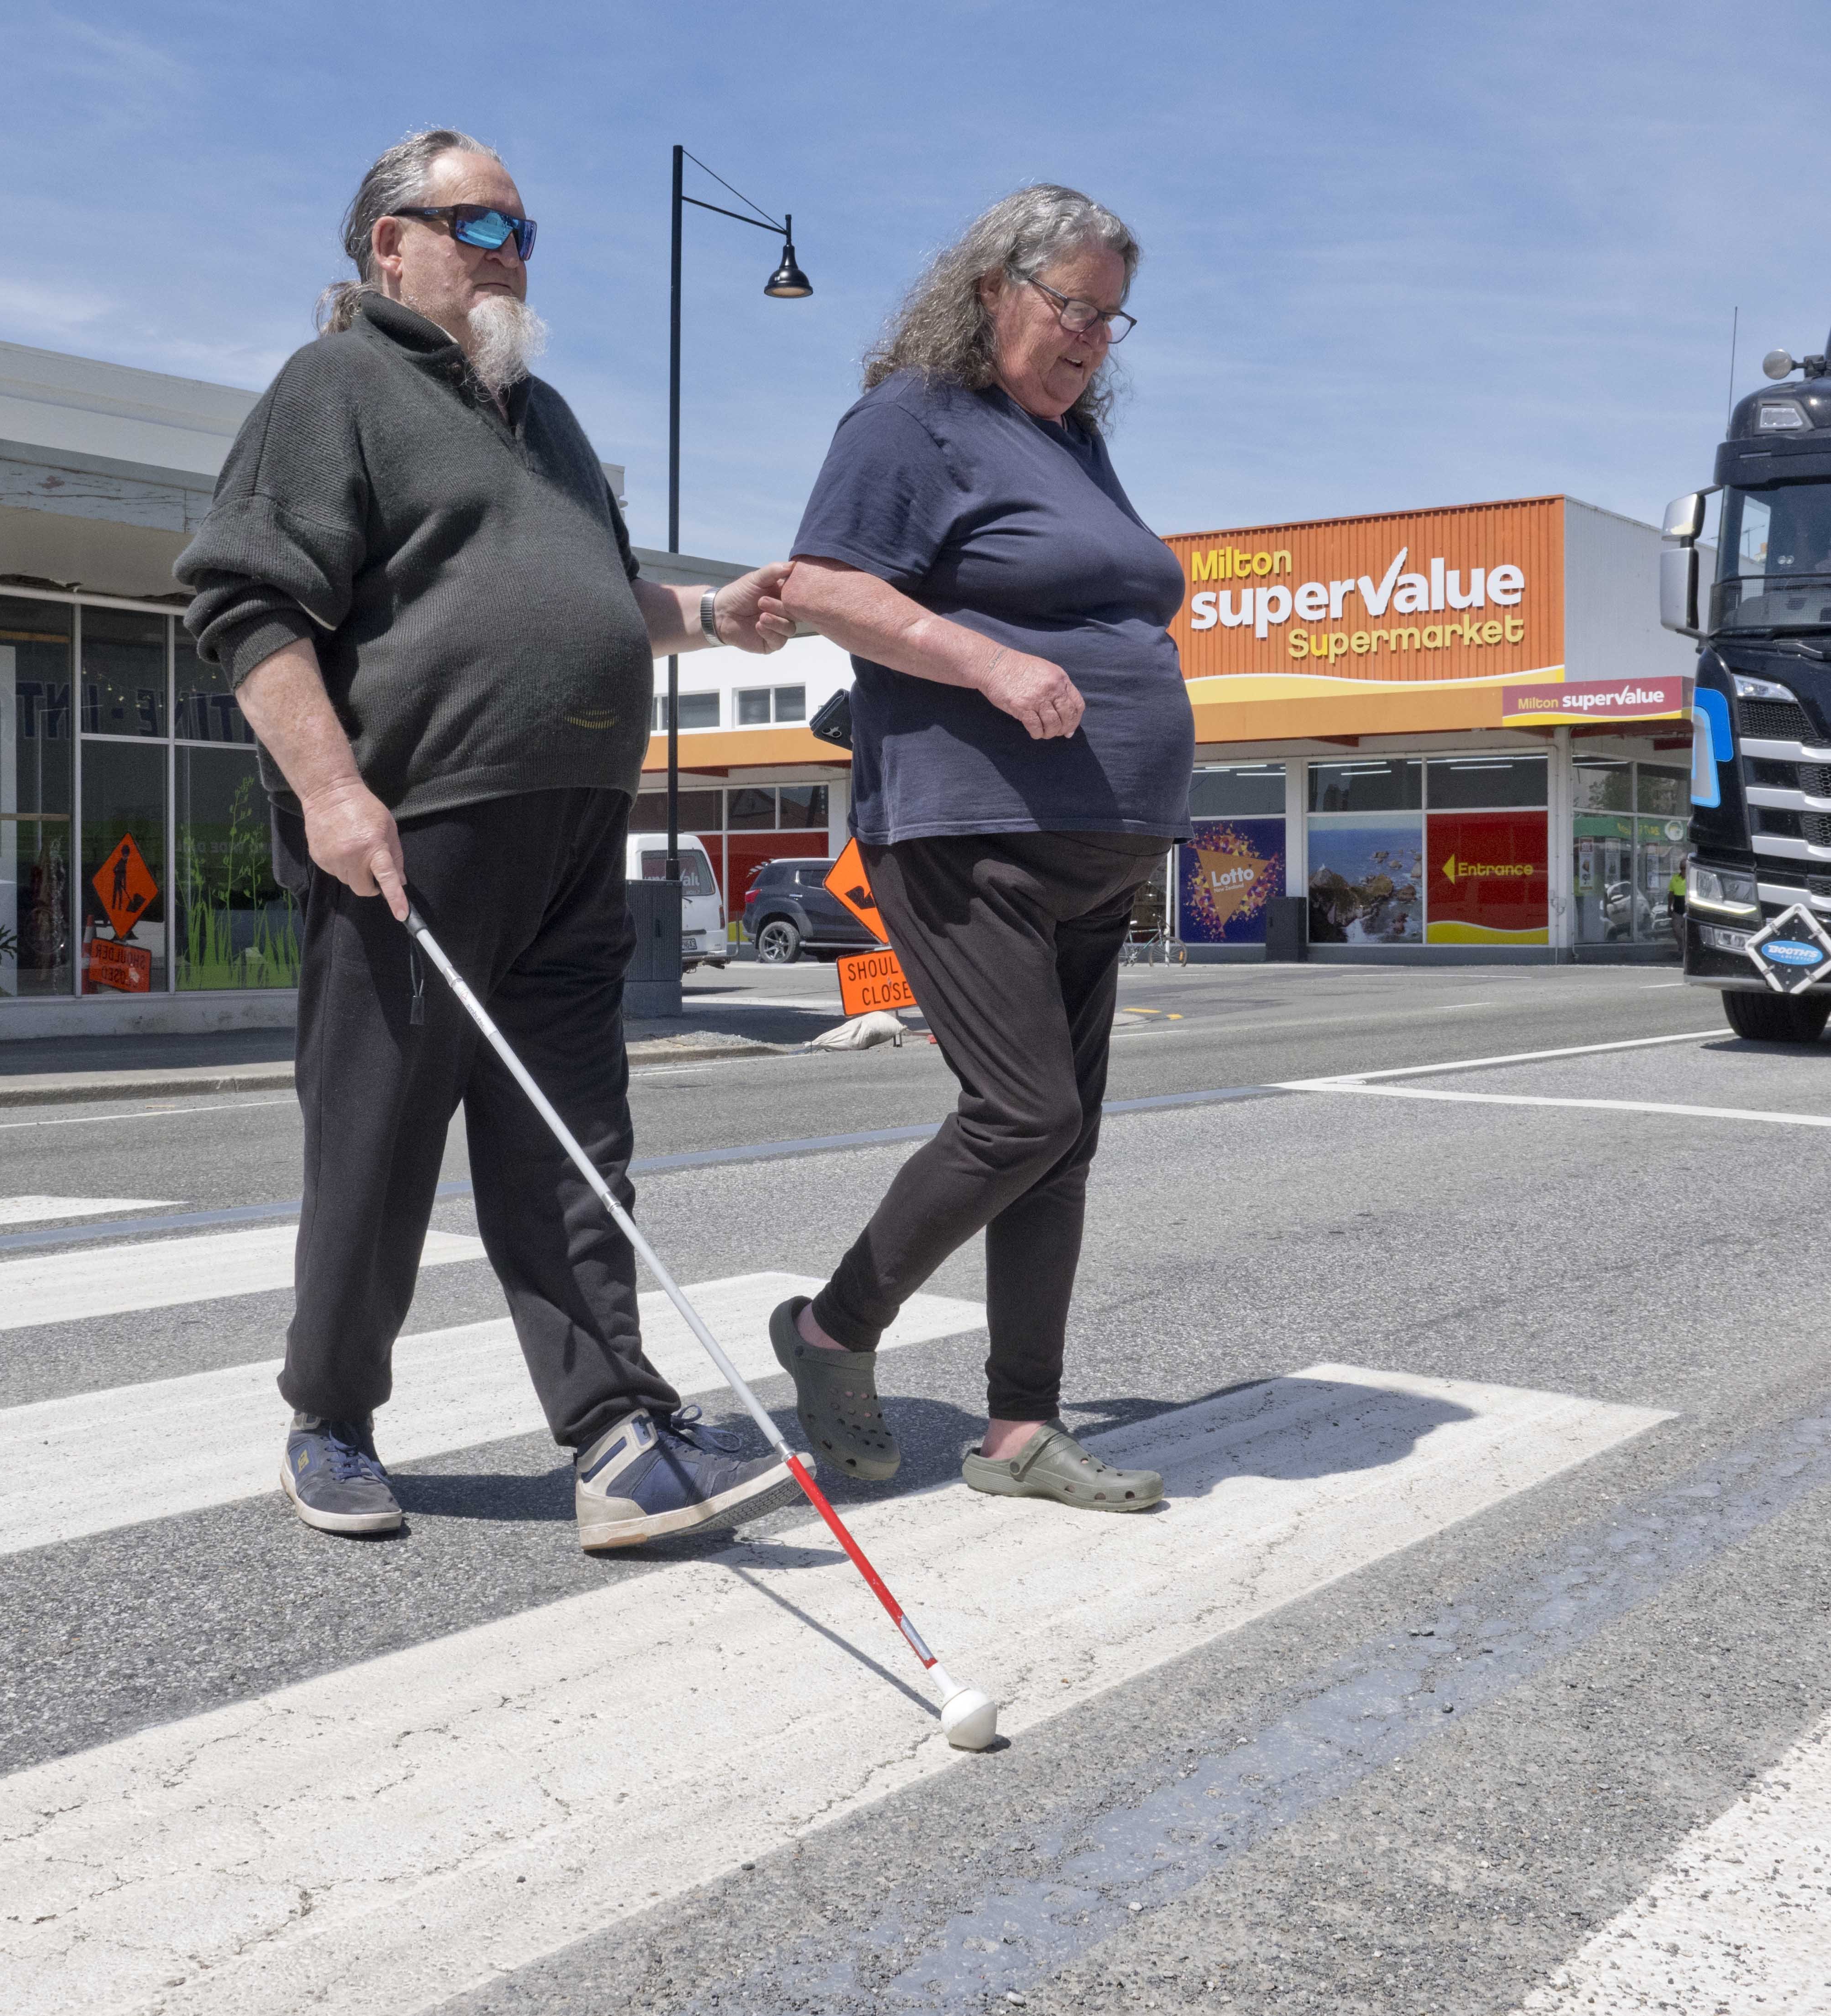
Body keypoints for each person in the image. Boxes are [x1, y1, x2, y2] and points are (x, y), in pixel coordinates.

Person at [178, 127, 804, 1551]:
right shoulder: (334, 387)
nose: (512, 253)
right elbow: (245, 603)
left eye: (525, 229)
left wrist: (711, 615)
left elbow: (603, 587)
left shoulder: (547, 417)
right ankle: (330, 1414)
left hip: (580, 826)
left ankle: (618, 1434)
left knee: (576, 1143)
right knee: (378, 1142)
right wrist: (335, 794)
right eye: (482, 226)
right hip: (416, 833)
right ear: (388, 245)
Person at [763, 185, 1186, 1515]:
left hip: (1089, 852)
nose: (1094, 339)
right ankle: (833, 1327)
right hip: (967, 832)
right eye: (1075, 306)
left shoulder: (1067, 443)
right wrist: (990, 661)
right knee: (1025, 1113)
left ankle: (1019, 1426)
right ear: (995, 286)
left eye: (1114, 317)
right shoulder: (914, 418)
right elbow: (822, 586)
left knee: (1064, 1147)